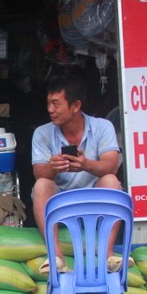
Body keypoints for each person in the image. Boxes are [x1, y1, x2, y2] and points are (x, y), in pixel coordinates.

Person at [31, 74, 133, 273]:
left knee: (111, 180)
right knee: (42, 184)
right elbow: (38, 172)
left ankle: (108, 255)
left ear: (76, 106)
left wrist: (85, 164)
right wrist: (53, 166)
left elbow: (111, 165)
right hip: (59, 200)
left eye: (56, 104)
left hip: (92, 198)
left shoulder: (103, 127)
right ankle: (56, 257)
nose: (50, 110)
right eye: (48, 103)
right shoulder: (42, 133)